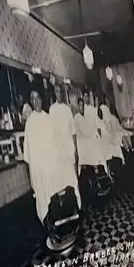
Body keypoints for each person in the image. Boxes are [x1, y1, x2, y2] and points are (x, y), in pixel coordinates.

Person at [22, 90, 79, 226]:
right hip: (40, 166)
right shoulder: (30, 123)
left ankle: (69, 212)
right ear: (31, 102)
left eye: (38, 98)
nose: (36, 101)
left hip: (52, 161)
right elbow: (30, 153)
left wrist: (65, 154)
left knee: (67, 170)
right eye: (33, 99)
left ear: (42, 100)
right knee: (48, 178)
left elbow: (57, 141)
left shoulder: (48, 118)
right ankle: (53, 218)